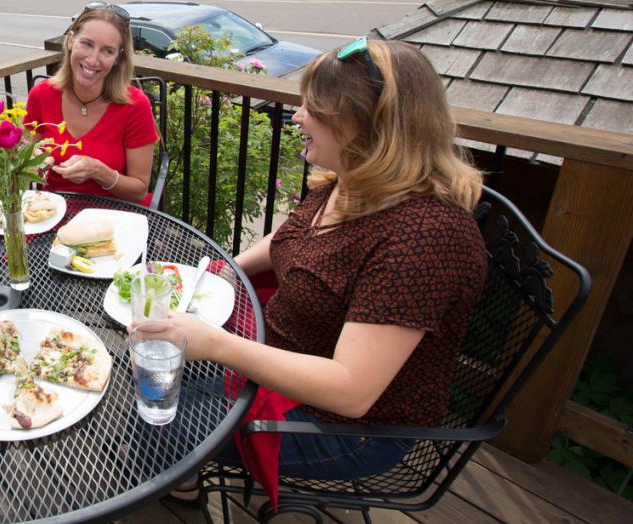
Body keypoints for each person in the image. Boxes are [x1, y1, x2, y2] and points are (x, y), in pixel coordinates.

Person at [162, 39, 487, 499]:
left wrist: (218, 344)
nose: (297, 117)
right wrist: (228, 269)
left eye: (314, 108)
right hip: (283, 354)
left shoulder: (425, 237)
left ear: (366, 126)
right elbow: (294, 236)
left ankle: (183, 483)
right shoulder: (349, 181)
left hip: (347, 427)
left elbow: (351, 391)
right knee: (155, 370)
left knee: (160, 419)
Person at [25, 2, 158, 205]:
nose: (93, 60)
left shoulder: (135, 105)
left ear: (117, 58)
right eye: (86, 44)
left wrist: (99, 171)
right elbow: (25, 159)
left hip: (115, 218)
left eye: (107, 51)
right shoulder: (41, 95)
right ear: (70, 40)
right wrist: (36, 163)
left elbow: (139, 190)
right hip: (51, 213)